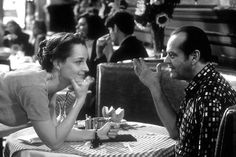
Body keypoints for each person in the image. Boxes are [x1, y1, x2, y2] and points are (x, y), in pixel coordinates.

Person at [0, 32, 119, 150]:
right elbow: (54, 142)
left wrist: (97, 133)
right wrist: (80, 100)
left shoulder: (47, 89)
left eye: (85, 61)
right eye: (79, 62)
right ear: (57, 63)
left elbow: (57, 133)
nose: (86, 68)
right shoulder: (35, 88)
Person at [133, 26, 236, 157]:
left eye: (172, 55)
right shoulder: (201, 84)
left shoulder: (209, 98)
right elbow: (176, 132)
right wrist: (154, 87)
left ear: (194, 57)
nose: (166, 61)